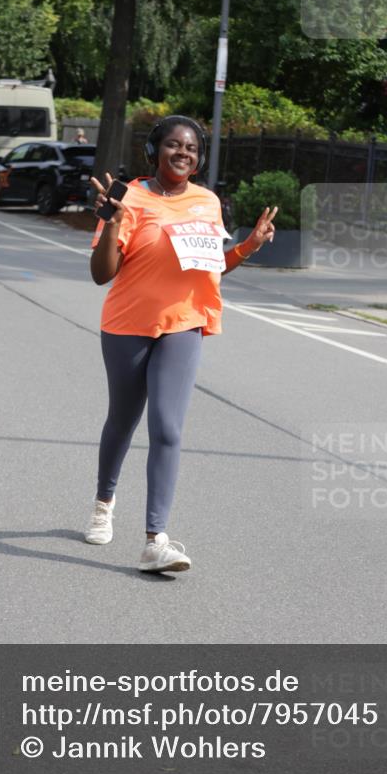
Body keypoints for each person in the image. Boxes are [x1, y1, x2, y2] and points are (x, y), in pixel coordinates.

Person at [86, 115, 277, 572]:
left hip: (184, 325)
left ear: (199, 158)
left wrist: (248, 245)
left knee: (168, 428)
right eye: (172, 145)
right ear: (154, 152)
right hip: (127, 324)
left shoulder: (207, 202)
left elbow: (211, 266)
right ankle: (103, 502)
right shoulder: (129, 196)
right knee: (123, 418)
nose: (182, 154)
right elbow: (101, 274)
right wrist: (112, 223)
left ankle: (156, 539)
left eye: (191, 149)